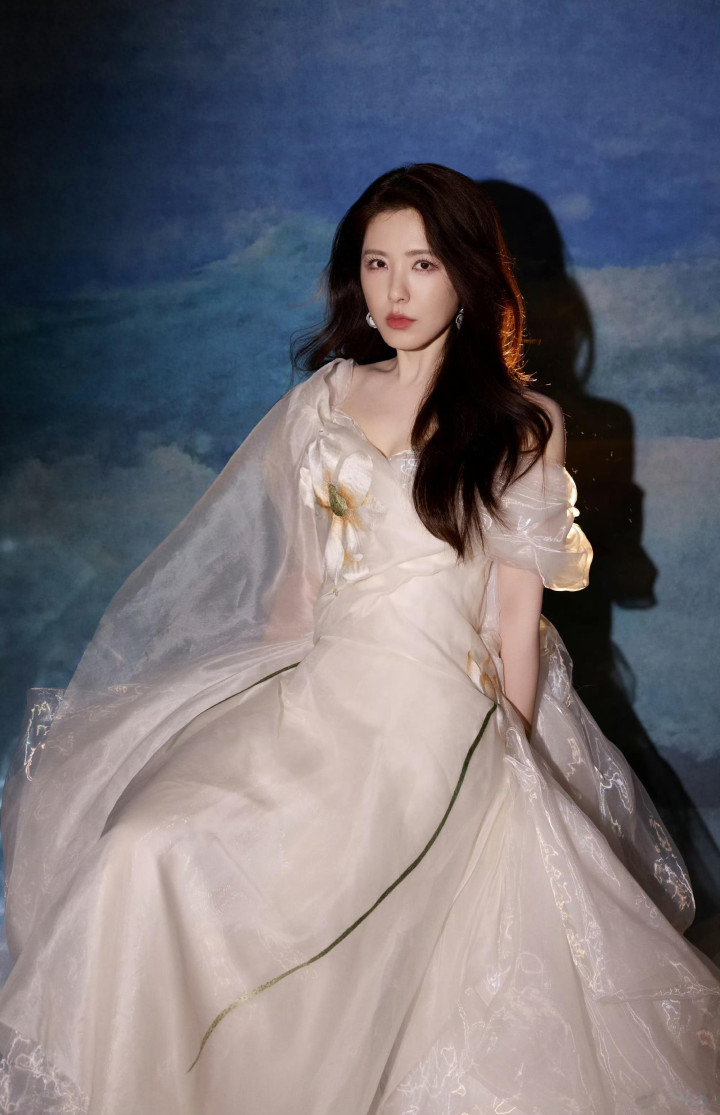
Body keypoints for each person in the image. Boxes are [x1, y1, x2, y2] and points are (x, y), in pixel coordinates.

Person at [0, 163, 717, 1114]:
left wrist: (512, 756)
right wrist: (246, 712)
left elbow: (518, 621)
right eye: (377, 263)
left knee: (354, 896)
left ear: (467, 274)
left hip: (438, 718)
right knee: (144, 842)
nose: (396, 289)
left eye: (423, 263)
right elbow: (298, 591)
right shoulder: (323, 400)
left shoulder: (521, 425)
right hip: (320, 693)